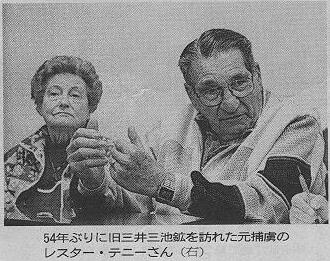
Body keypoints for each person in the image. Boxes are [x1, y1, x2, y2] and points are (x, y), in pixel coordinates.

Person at [104, 28, 327, 223]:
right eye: (211, 90)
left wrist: (164, 184)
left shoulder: (297, 122)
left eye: (239, 82)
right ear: (191, 94)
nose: (230, 103)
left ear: (257, 76)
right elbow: (132, 201)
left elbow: (268, 205)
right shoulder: (169, 129)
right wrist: (93, 181)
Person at [4, 55, 105, 223]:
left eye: (74, 95)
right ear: (39, 105)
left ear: (90, 107)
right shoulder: (13, 159)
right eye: (54, 93)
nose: (64, 102)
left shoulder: (106, 158)